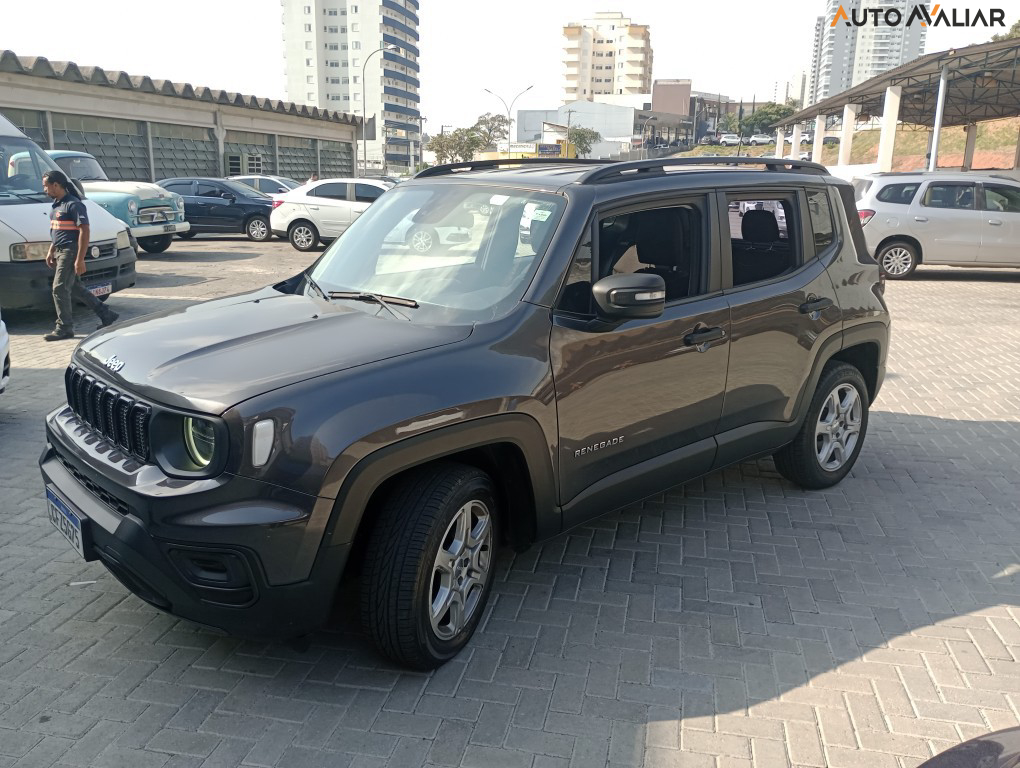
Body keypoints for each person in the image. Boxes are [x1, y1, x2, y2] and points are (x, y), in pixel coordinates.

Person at [41, 169, 118, 341]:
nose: (45, 190)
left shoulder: (73, 204)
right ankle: (106, 314)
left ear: (56, 185)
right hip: (60, 250)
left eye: (46, 186)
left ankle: (64, 328)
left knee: (59, 288)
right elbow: (57, 231)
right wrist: (51, 250)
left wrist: (80, 259)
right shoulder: (56, 206)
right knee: (76, 288)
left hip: (70, 251)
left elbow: (85, 231)